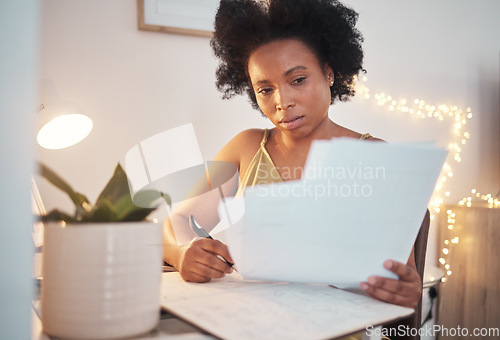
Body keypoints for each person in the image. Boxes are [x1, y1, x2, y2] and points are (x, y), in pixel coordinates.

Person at [162, 0, 422, 310]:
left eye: (297, 80)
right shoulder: (246, 149)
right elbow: (178, 220)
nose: (282, 101)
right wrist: (181, 253)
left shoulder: (374, 156)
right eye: (265, 89)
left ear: (329, 72)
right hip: (249, 320)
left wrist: (405, 291)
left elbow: (407, 281)